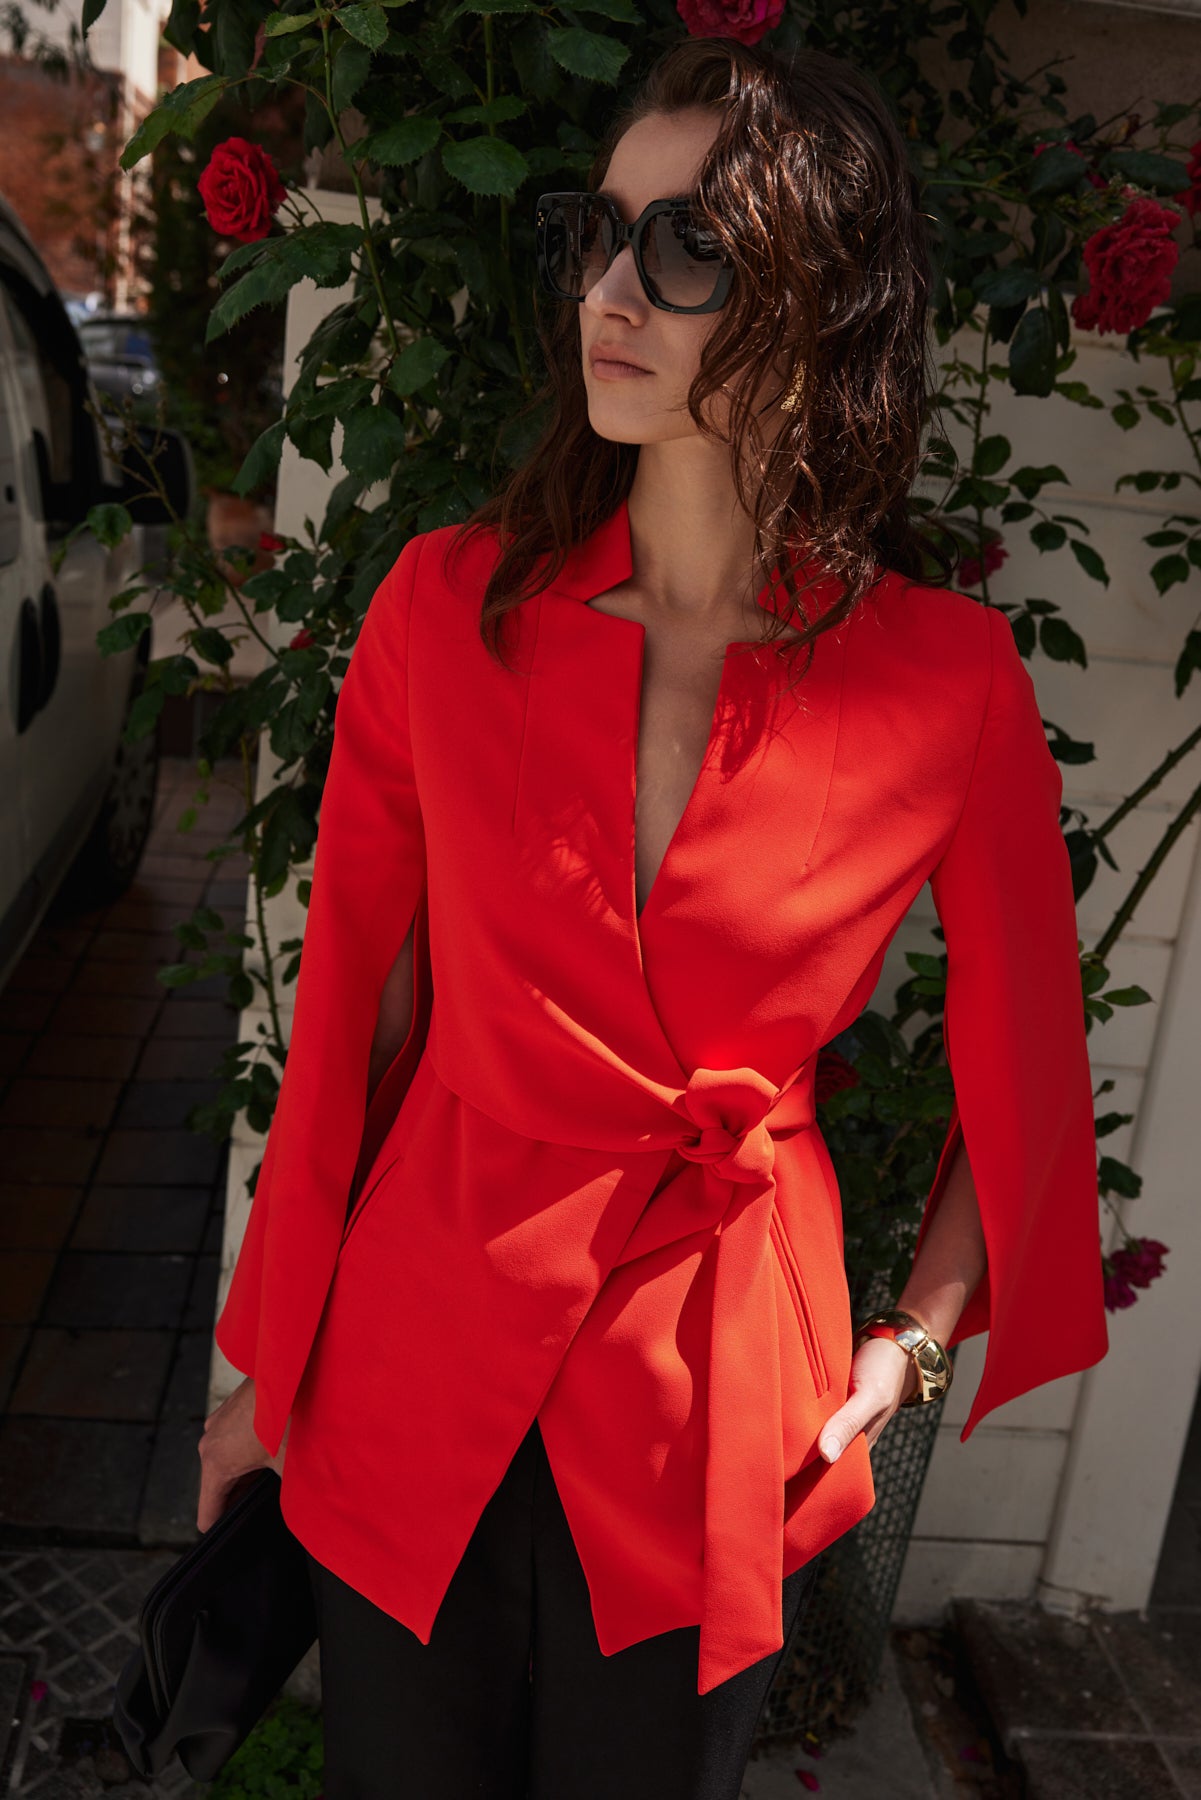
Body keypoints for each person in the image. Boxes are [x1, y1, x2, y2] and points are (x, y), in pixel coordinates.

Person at [197, 36, 1109, 1800]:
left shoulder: (949, 682)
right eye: (598, 233)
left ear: (817, 295)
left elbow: (1026, 1070)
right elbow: (355, 1023)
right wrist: (266, 1371)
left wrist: (909, 1341)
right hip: (415, 1347)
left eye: (684, 248)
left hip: (706, 1400)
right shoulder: (442, 610)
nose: (611, 290)